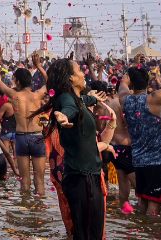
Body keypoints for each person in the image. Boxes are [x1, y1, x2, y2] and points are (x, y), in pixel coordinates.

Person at [34, 58, 110, 240]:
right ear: (70, 78)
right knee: (88, 234)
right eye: (79, 71)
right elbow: (68, 108)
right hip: (82, 178)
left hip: (85, 176)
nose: (83, 73)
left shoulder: (76, 98)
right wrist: (63, 116)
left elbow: (81, 100)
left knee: (87, 232)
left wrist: (93, 98)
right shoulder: (67, 100)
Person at [120, 41, 161, 215]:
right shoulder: (153, 99)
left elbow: (122, 85)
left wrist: (130, 71)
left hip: (138, 161)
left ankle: (141, 232)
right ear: (148, 81)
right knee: (154, 207)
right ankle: (151, 232)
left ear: (131, 84)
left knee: (142, 202)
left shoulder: (125, 100)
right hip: (155, 163)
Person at [0, 47, 47, 196]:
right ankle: (39, 209)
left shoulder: (14, 95)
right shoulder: (37, 95)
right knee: (40, 180)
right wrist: (39, 66)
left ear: (17, 81)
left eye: (14, 79)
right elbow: (50, 83)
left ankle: (25, 209)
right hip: (37, 137)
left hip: (22, 137)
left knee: (25, 181)